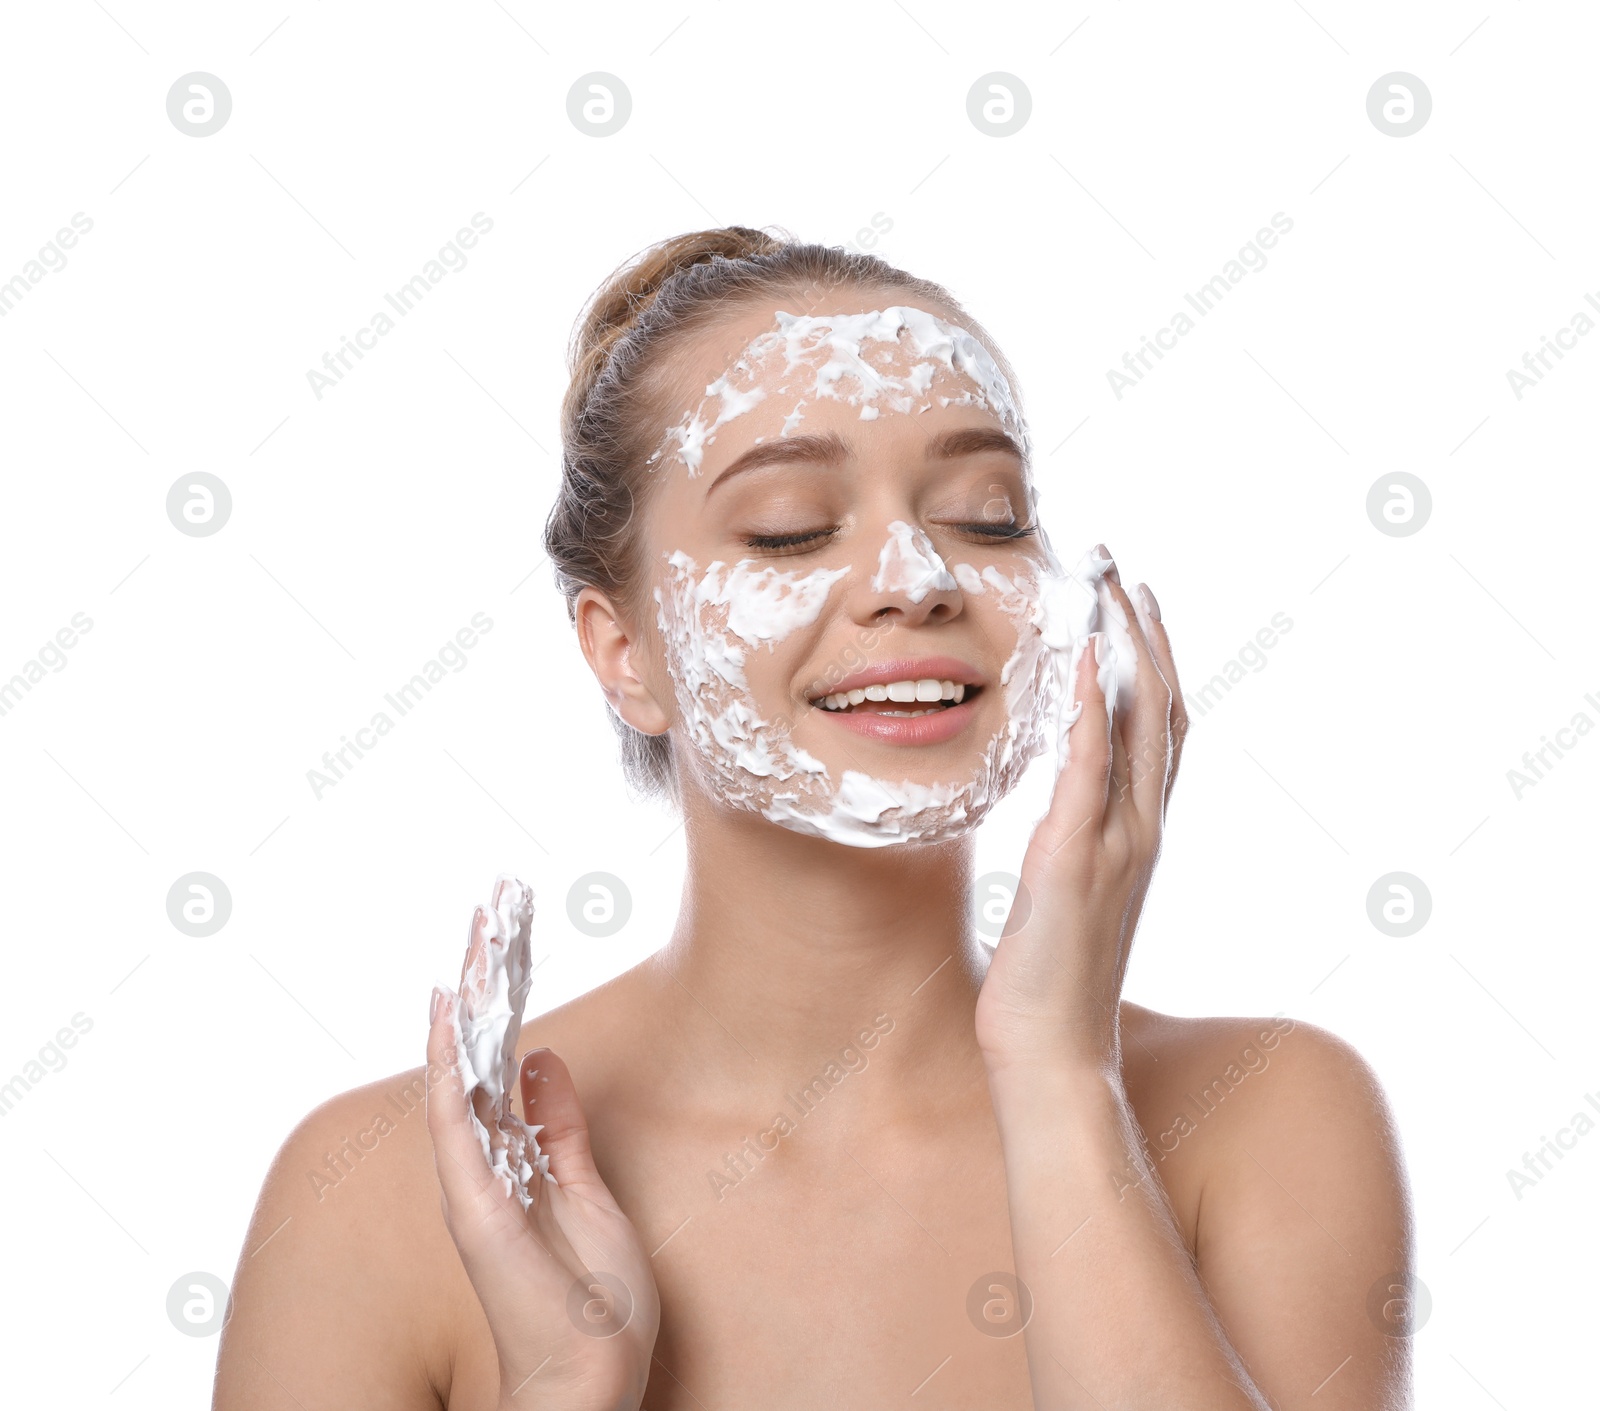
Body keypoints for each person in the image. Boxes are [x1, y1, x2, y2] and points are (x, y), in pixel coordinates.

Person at [215, 226, 1413, 1410]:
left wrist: (1058, 1076)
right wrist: (561, 1387)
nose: (916, 575)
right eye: (790, 527)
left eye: (986, 514)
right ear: (624, 652)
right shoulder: (388, 1195)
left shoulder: (1261, 1116)